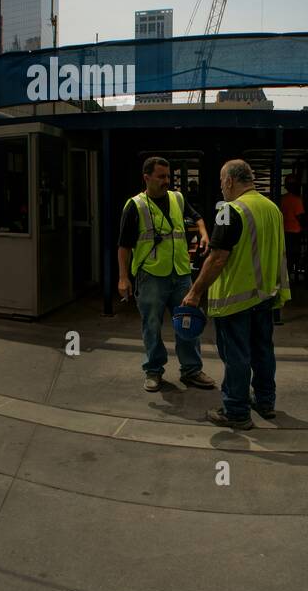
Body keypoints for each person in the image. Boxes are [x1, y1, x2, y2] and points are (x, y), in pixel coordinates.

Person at [182, 158, 292, 430]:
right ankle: (265, 402)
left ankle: (236, 411)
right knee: (263, 351)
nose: (221, 187)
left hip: (236, 300)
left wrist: (195, 293)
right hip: (265, 295)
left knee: (236, 357)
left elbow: (218, 258)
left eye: (222, 181)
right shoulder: (272, 208)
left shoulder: (230, 210)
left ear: (230, 181)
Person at [116, 155, 215, 395]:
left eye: (168, 176)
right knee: (151, 325)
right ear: (146, 177)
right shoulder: (135, 206)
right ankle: (153, 370)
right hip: (151, 275)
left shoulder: (177, 198)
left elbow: (197, 216)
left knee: (187, 322)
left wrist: (203, 233)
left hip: (180, 273)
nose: (166, 181)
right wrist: (123, 277)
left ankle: (191, 370)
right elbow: (124, 246)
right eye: (161, 177)